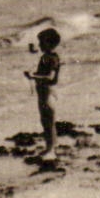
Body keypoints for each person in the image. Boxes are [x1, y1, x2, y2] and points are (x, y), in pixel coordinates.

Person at [24, 28, 62, 156]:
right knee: (46, 120)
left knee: (48, 120)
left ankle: (50, 148)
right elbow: (44, 74)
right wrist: (34, 75)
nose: (39, 45)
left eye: (41, 42)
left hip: (47, 93)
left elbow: (50, 77)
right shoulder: (48, 57)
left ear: (50, 43)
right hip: (45, 93)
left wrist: (32, 76)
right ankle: (51, 146)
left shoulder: (50, 58)